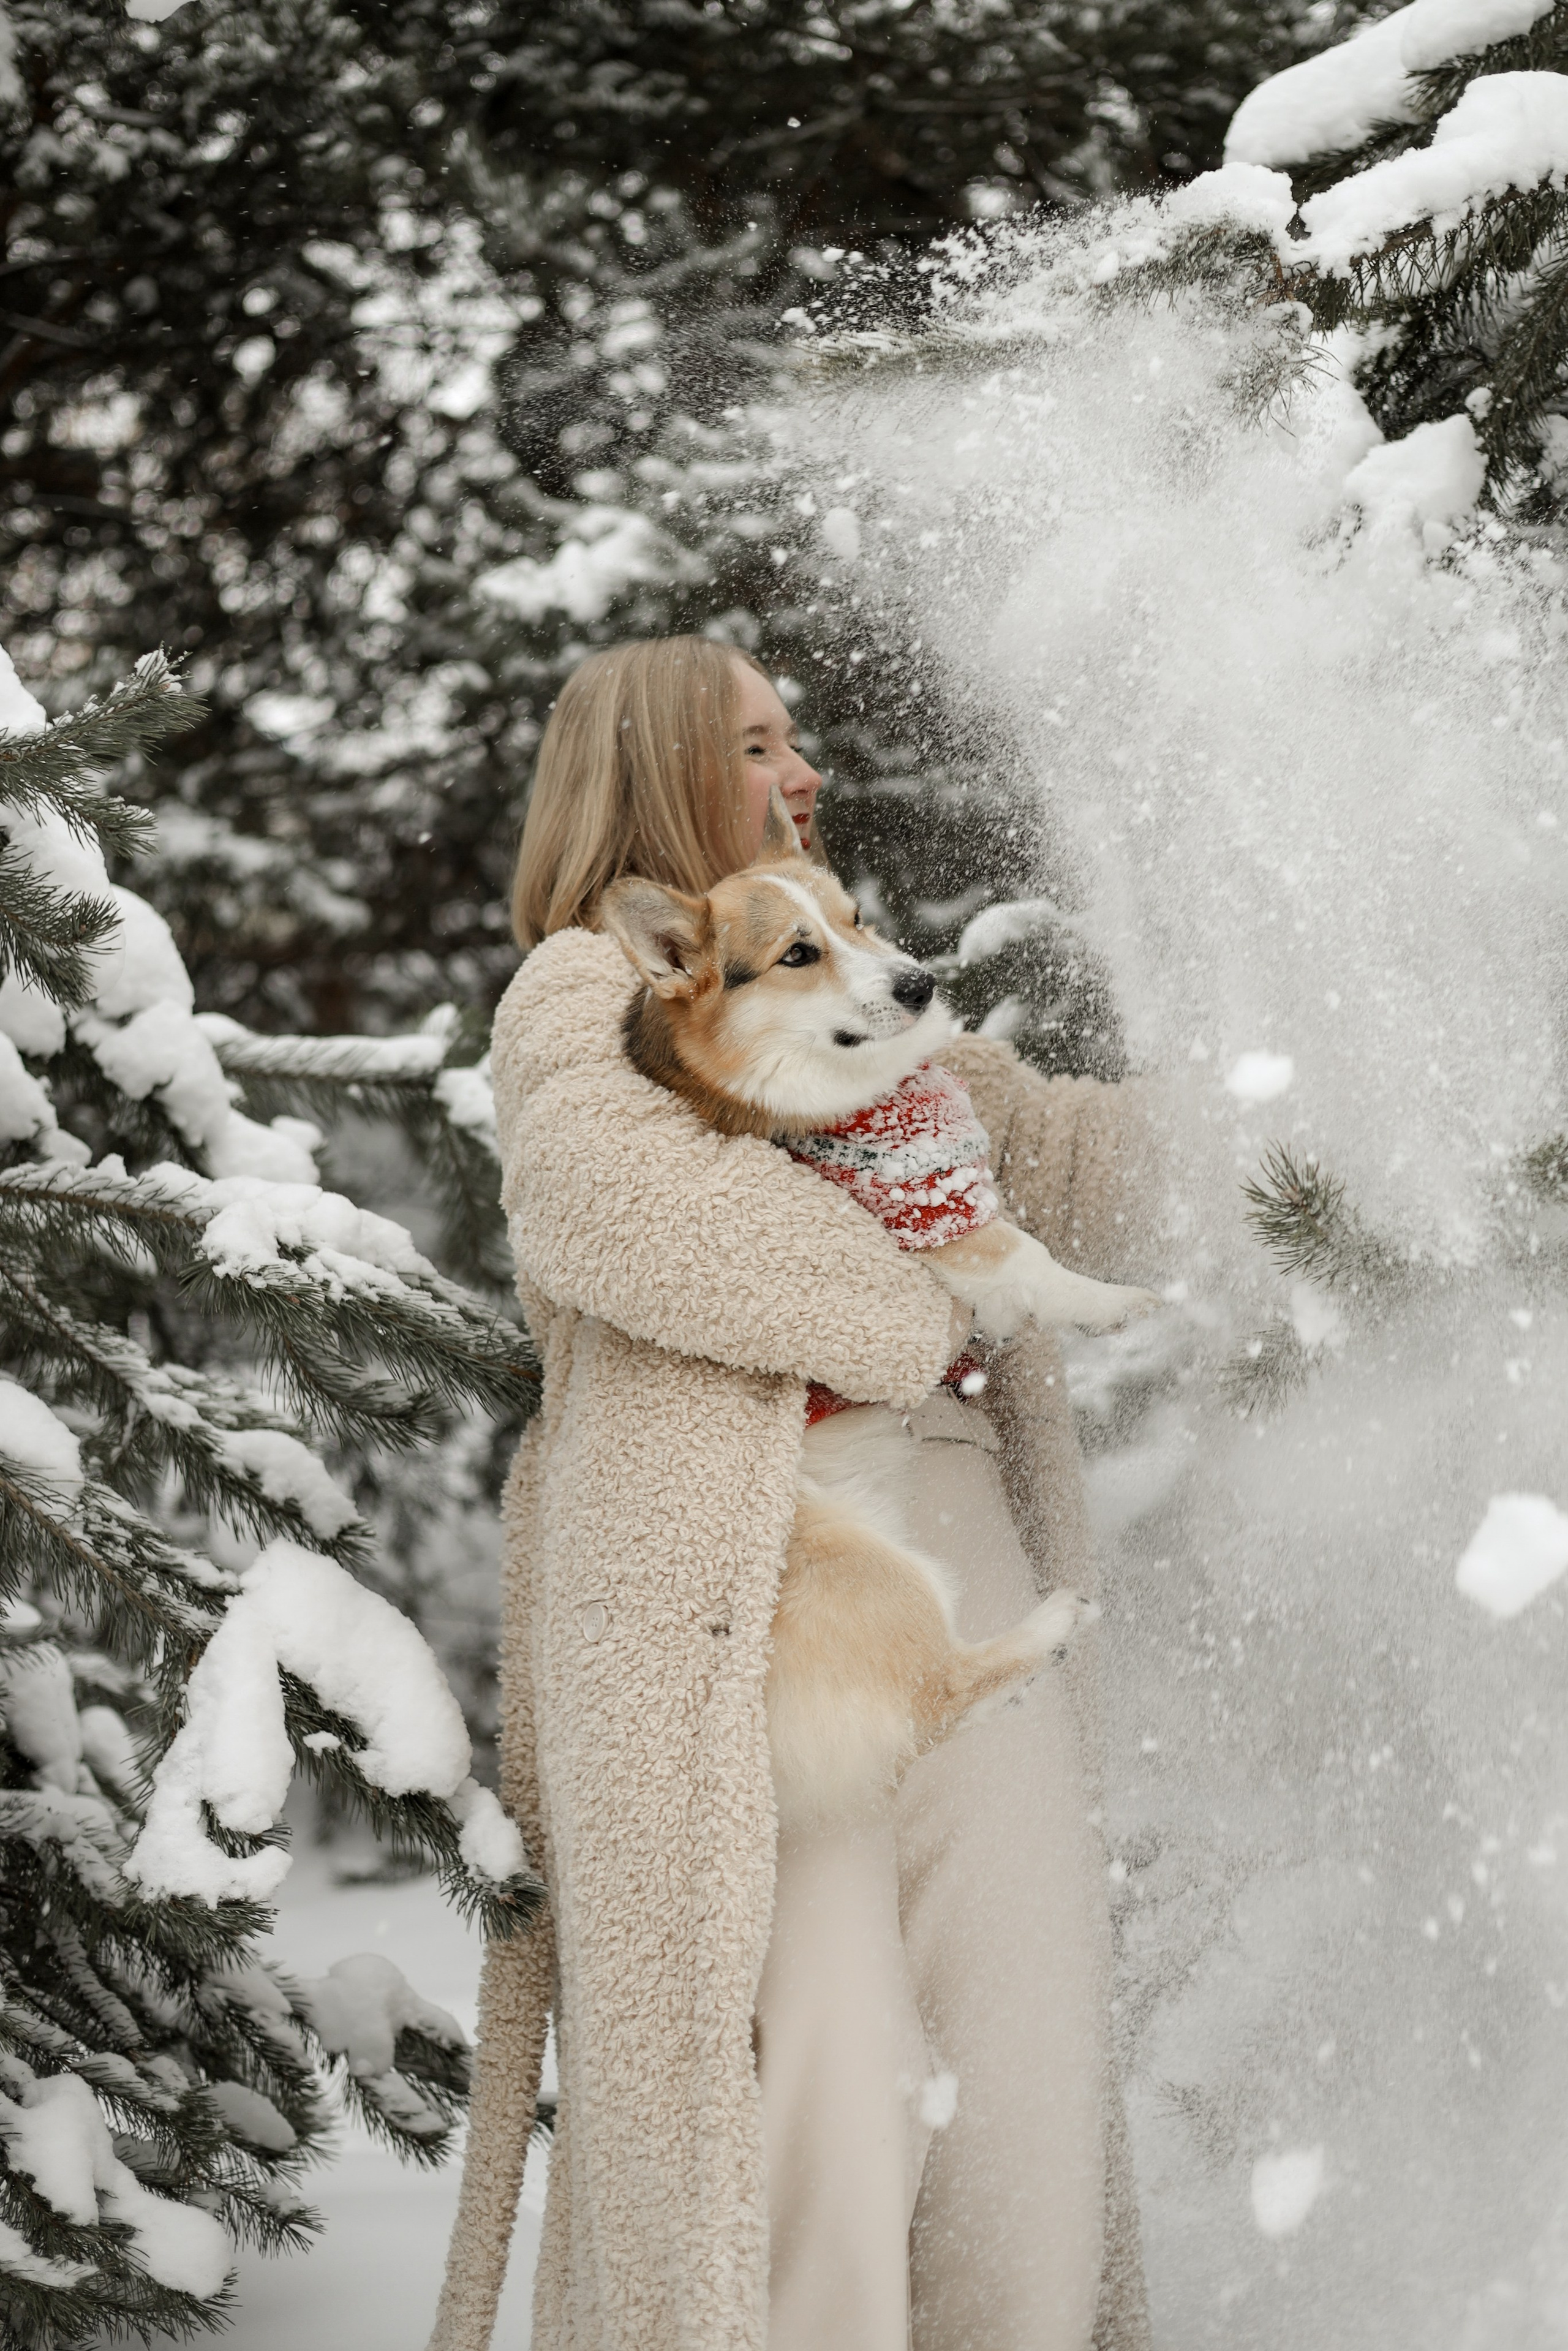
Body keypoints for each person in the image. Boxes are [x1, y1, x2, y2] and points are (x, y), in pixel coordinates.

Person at [428, 635, 1161, 2351]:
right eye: (760, 742)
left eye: (797, 734)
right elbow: (642, 1221)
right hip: (746, 1605)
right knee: (825, 2083)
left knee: (1023, 2062)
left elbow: (1052, 1158)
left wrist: (1328, 1127)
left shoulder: (870, 1004)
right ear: (664, 772)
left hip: (966, 1550)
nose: (805, 765)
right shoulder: (577, 1001)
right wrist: (942, 1278)